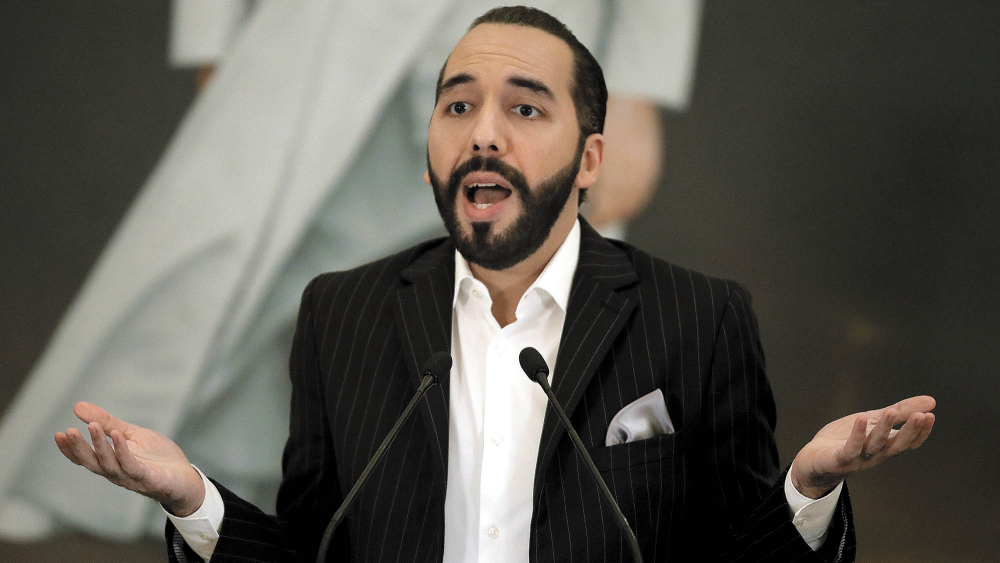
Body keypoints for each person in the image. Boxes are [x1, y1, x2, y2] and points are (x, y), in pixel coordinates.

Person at [54, 7, 936, 562]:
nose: (483, 135)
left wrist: (808, 492)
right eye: (457, 106)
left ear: (588, 155)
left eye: (523, 109)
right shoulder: (344, 314)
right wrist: (193, 500)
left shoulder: (700, 318)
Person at [0, 0, 701, 541]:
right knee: (249, 281)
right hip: (325, 26)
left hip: (543, 31)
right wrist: (214, 28)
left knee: (510, 305)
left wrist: (639, 82)